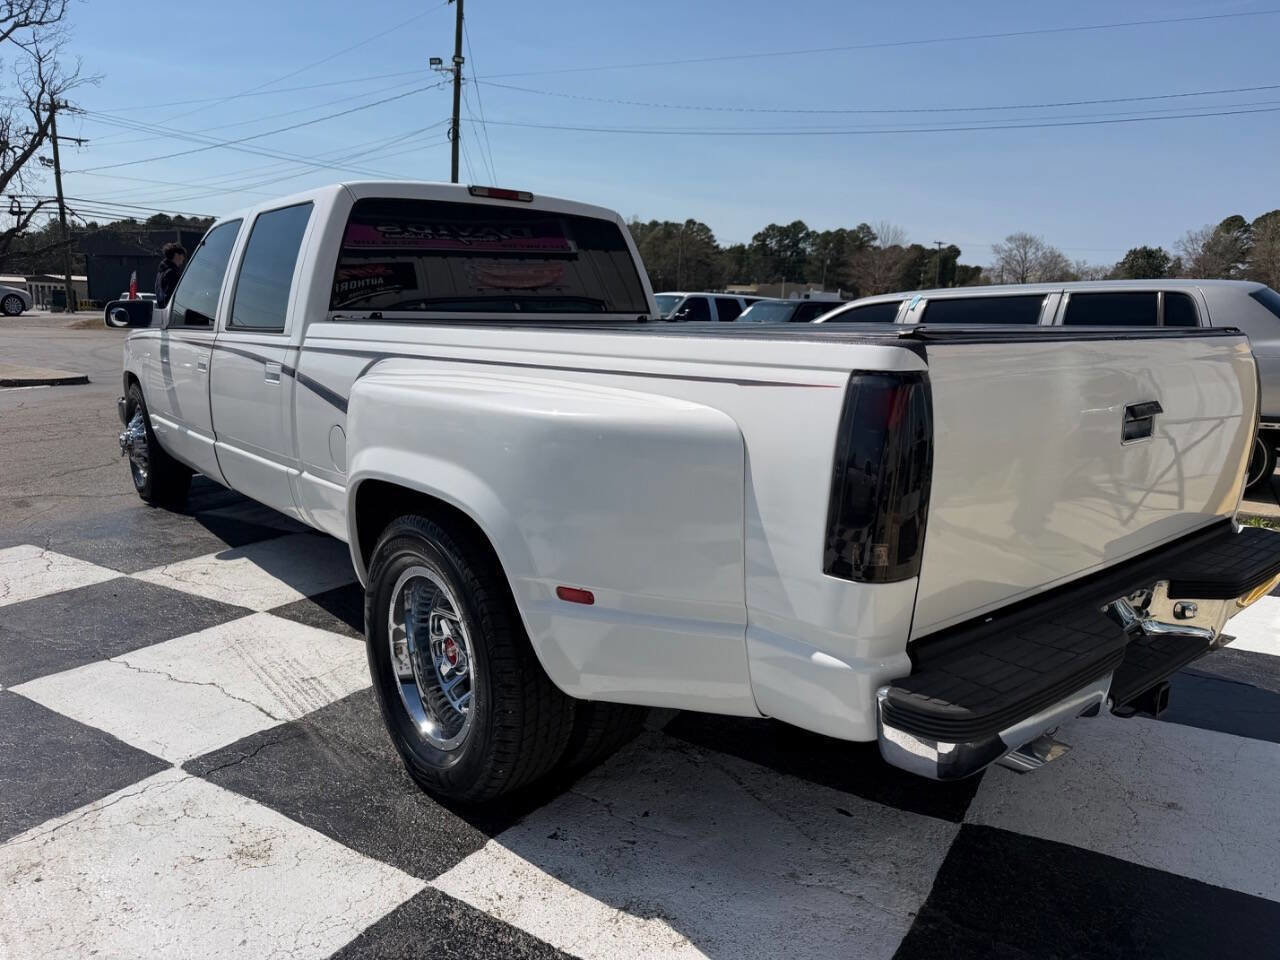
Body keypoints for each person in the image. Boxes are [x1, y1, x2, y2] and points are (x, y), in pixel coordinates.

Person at [155, 242, 186, 307]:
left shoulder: (161, 272)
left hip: (163, 310)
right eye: (183, 255)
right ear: (176, 255)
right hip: (171, 311)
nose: (183, 259)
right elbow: (175, 296)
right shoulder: (171, 273)